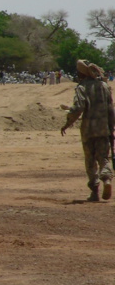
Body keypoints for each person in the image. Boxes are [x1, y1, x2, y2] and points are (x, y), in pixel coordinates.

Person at [61, 59, 115, 201]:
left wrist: (68, 122)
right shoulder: (104, 86)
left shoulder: (81, 87)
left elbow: (79, 108)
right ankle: (107, 180)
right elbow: (111, 110)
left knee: (90, 161)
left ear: (81, 73)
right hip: (104, 129)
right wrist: (111, 128)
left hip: (88, 130)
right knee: (104, 158)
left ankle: (94, 191)